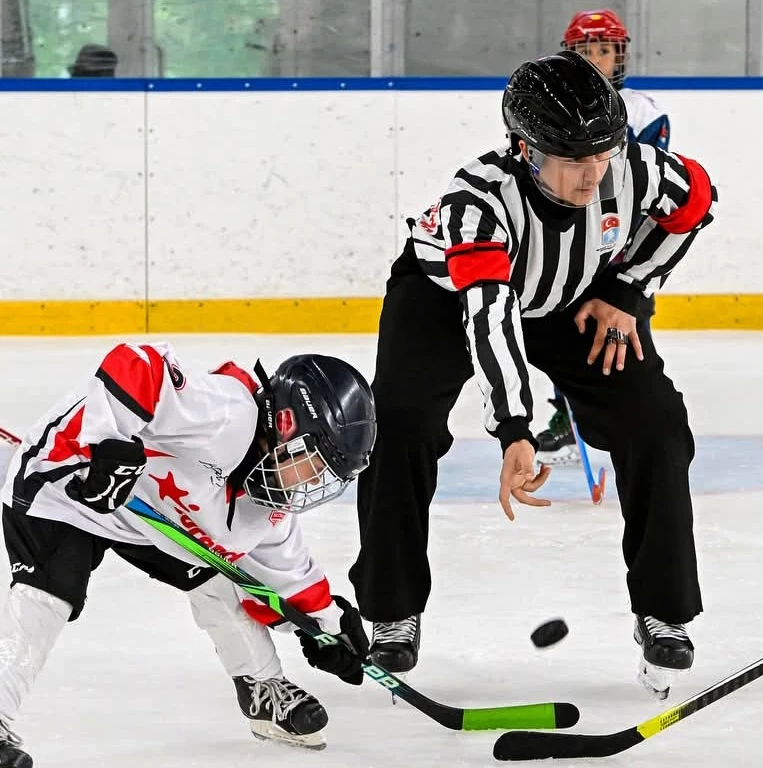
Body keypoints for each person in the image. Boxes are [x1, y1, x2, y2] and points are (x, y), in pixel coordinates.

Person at [350, 50, 716, 699]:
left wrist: (629, 290)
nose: (593, 173)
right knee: (400, 425)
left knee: (655, 421)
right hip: (446, 299)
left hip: (574, 295)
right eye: (574, 159)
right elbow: (491, 319)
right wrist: (515, 429)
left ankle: (664, 609)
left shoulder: (632, 167)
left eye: (603, 152)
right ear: (526, 150)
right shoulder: (477, 203)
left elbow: (695, 201)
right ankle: (391, 608)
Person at [0, 343, 375, 766]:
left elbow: (283, 581)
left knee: (219, 580)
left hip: (153, 515)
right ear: (286, 424)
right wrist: (108, 445)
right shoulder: (225, 413)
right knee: (47, 598)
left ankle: (261, 688)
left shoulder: (268, 507)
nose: (313, 482)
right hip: (71, 484)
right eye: (315, 465)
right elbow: (135, 364)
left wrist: (326, 628)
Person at [534, 8, 673, 464]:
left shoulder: (644, 112)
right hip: (570, 242)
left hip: (621, 245)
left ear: (620, 56)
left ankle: (634, 415)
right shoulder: (552, 103)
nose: (595, 59)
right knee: (566, 331)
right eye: (586, 50)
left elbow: (650, 183)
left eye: (604, 50)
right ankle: (568, 415)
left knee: (628, 330)